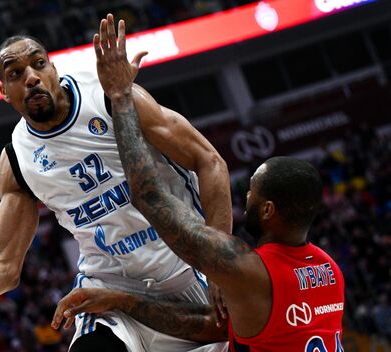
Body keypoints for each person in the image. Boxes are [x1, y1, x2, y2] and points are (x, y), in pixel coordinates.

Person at [0, 14, 230, 352]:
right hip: (110, 286)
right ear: (4, 92)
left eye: (38, 64)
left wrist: (221, 263)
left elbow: (208, 161)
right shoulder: (17, 161)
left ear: (54, 68)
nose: (31, 77)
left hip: (187, 268)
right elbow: (2, 268)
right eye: (15, 73)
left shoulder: (110, 96)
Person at [52, 17, 346, 351]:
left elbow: (148, 198)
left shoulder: (249, 270)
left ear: (268, 209)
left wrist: (120, 97)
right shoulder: (329, 268)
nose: (245, 195)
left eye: (252, 189)